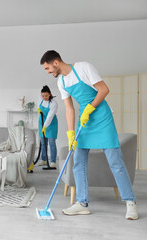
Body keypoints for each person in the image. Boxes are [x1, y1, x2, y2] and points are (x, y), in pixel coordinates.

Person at [40, 50, 138, 220]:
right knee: (78, 161)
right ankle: (82, 203)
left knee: (115, 161)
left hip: (101, 116)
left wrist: (90, 108)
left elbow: (104, 89)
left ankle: (130, 203)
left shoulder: (83, 67)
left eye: (48, 68)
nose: (48, 72)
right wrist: (70, 134)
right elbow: (70, 109)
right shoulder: (61, 82)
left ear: (55, 62)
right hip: (85, 121)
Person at [36, 85, 58, 168]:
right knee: (43, 142)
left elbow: (50, 116)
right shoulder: (41, 99)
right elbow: (38, 104)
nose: (44, 97)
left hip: (51, 123)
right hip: (42, 122)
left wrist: (45, 126)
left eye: (46, 96)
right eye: (43, 96)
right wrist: (38, 108)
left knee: (52, 142)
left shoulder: (53, 103)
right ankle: (44, 160)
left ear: (49, 94)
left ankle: (53, 162)